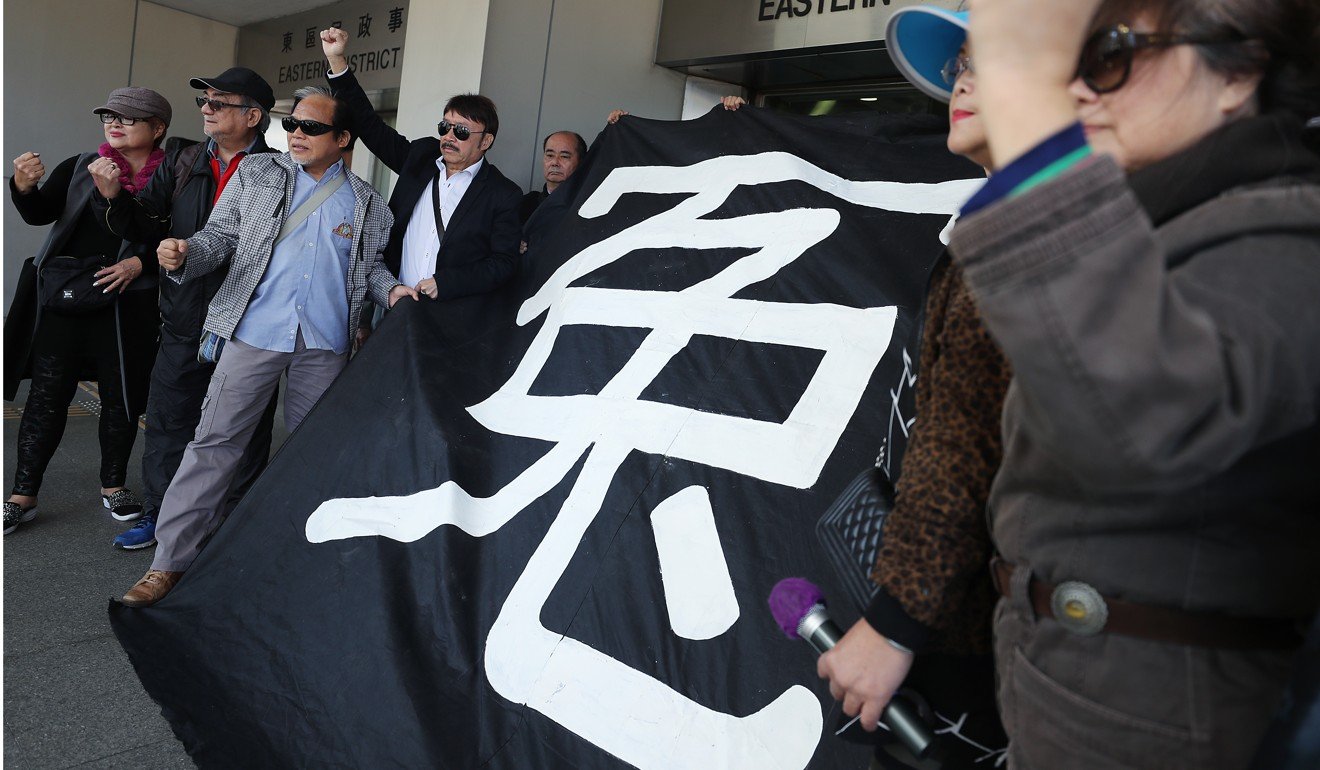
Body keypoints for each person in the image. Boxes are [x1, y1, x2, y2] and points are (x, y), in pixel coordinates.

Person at [952, 0, 1318, 767]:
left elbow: (1135, 418)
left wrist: (1023, 75)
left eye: (1111, 56)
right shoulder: (1164, 225)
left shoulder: (1291, 229)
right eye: (1070, 66)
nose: (1079, 89)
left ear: (1240, 70)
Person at [119, 88, 418, 607]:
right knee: (214, 445)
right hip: (254, 332)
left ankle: (295, 561)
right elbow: (219, 238)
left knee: (314, 455)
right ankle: (167, 563)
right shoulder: (258, 176)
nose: (297, 135)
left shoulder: (370, 205)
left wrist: (392, 290)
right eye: (293, 126)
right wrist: (184, 253)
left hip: (325, 344)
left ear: (343, 139)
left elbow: (368, 269)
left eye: (312, 128)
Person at [815, 8, 1011, 766]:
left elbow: (961, 446)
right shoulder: (984, 225)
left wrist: (896, 623)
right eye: (959, 62)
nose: (962, 79)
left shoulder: (1021, 237)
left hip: (979, 643)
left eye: (986, 60)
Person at [90, 67, 280, 551]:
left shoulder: (280, 171)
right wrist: (113, 199)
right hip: (182, 317)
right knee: (170, 421)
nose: (206, 109)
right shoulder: (184, 160)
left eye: (219, 102)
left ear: (253, 116)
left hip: (246, 322)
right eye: (204, 102)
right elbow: (145, 224)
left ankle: (233, 521)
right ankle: (160, 514)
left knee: (245, 427)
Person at [3, 87, 173, 535]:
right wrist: (23, 184)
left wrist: (141, 262)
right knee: (46, 396)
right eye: (108, 115)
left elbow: (185, 234)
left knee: (121, 398)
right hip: (69, 297)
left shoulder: (170, 176)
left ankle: (113, 485)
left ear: (157, 129)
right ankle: (23, 494)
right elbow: (39, 213)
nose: (114, 123)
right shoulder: (82, 165)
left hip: (129, 302)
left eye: (128, 118)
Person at [320, 27, 522, 313]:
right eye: (445, 127)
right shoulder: (421, 157)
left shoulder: (503, 193)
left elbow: (503, 262)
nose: (449, 136)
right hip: (395, 304)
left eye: (462, 131)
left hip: (453, 316)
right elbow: (370, 125)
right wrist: (337, 62)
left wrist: (447, 282)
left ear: (486, 140)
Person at [519, 131, 587, 226]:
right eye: (550, 155)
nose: (555, 162)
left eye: (564, 156)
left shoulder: (587, 207)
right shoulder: (526, 204)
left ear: (581, 162)